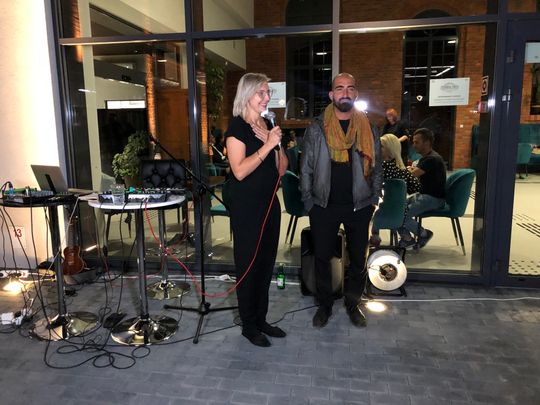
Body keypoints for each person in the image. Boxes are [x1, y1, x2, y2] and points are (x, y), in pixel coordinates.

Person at [300, 72, 382, 328]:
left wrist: (374, 199)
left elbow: (377, 166)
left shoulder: (368, 127)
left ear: (355, 94)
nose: (345, 93)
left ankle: (353, 304)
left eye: (350, 88)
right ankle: (324, 305)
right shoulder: (317, 129)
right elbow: (305, 168)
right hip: (323, 205)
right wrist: (309, 202)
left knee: (358, 260)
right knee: (322, 259)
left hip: (360, 205)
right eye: (339, 88)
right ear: (331, 94)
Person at [225, 73, 289, 347]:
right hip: (247, 208)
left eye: (268, 92)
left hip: (270, 204)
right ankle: (249, 325)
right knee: (248, 266)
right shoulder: (237, 128)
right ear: (246, 94)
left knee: (265, 265)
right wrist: (268, 145)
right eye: (261, 92)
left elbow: (282, 169)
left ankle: (261, 319)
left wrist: (276, 145)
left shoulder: (268, 123)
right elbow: (239, 171)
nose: (266, 97)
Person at [397, 127, 446, 249]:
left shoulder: (431, 159)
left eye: (416, 142)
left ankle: (423, 234)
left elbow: (410, 175)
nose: (414, 145)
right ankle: (407, 239)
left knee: (400, 214)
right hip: (425, 195)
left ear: (427, 142)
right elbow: (414, 171)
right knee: (396, 209)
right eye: (413, 142)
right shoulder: (429, 157)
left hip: (433, 198)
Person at [369, 133, 420, 247]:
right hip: (398, 214)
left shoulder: (378, 168)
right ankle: (410, 236)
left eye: (381, 146)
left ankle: (373, 237)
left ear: (390, 149)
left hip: (379, 212)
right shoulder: (403, 170)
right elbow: (416, 187)